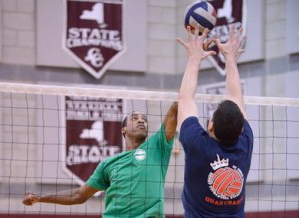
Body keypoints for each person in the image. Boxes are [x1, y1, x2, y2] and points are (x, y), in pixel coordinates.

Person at [23, 102, 178, 217]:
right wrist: (41, 198)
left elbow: (174, 111)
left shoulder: (157, 147)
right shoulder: (108, 164)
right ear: (123, 129)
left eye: (144, 119)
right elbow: (79, 195)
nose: (141, 121)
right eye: (134, 118)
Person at [176, 24, 253, 217]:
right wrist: (230, 58)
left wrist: (194, 59)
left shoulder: (197, 144)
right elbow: (236, 98)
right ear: (240, 129)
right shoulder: (245, 144)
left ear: (210, 125)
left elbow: (185, 99)